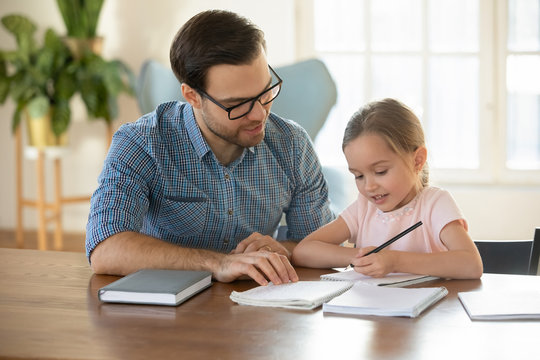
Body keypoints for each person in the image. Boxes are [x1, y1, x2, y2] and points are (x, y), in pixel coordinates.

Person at [86, 10, 334, 286]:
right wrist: (219, 263)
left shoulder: (292, 145)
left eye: (265, 92)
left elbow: (322, 245)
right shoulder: (142, 143)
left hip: (257, 311)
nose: (259, 114)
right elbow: (105, 249)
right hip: (162, 316)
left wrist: (279, 249)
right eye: (238, 104)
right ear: (192, 96)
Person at [292, 98, 483, 279]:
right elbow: (303, 251)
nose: (369, 186)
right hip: (373, 309)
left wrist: (395, 261)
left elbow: (471, 264)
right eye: (358, 176)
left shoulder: (434, 204)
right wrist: (360, 256)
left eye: (381, 171)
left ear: (417, 161)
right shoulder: (364, 208)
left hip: (427, 310)